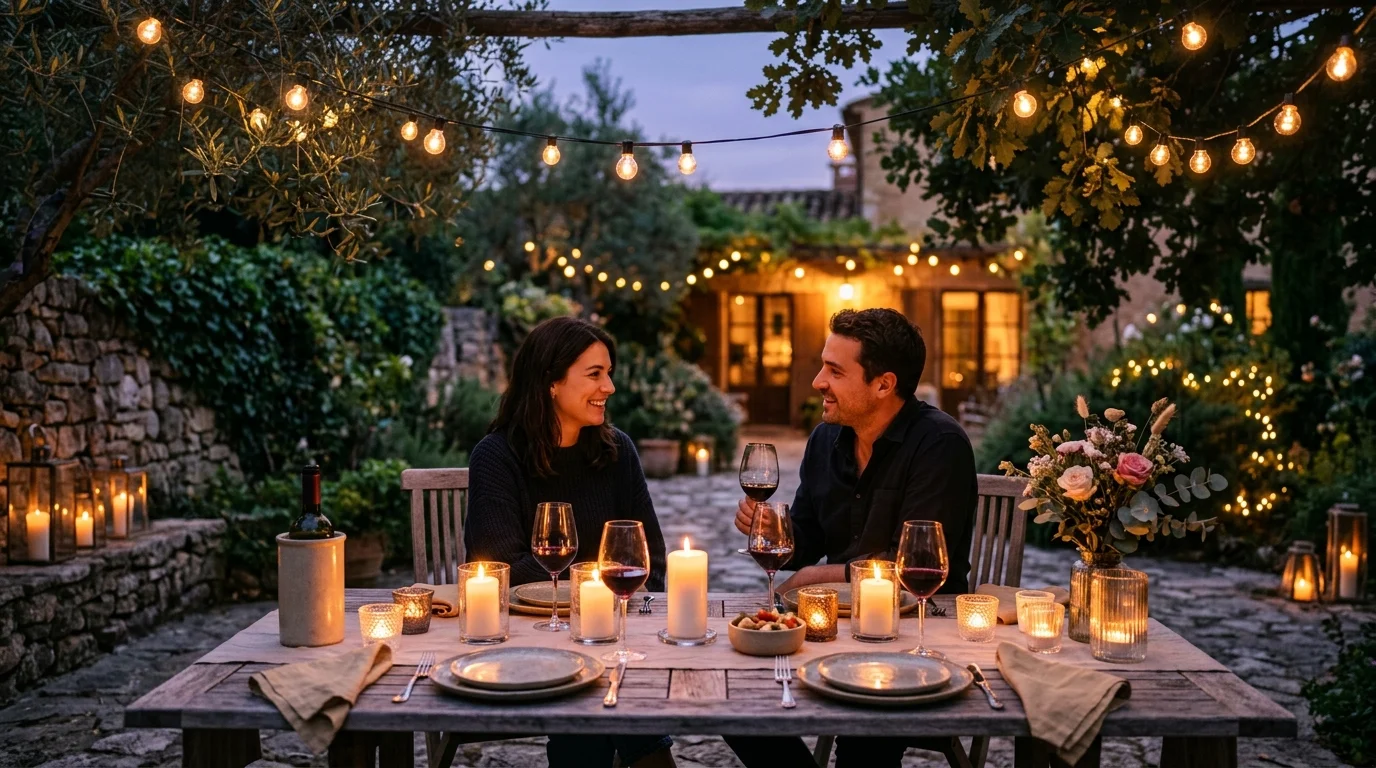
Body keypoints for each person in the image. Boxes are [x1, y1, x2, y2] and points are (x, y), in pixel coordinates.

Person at [726, 308, 977, 768]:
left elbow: (916, 563)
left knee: (866, 735)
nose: (819, 381)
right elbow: (803, 539)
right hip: (832, 627)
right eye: (823, 365)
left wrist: (818, 575)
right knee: (732, 697)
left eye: (835, 371)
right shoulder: (827, 440)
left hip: (919, 631)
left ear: (883, 384)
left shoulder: (940, 444)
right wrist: (772, 530)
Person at [466, 316, 673, 768]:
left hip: (613, 631)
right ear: (551, 383)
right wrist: (596, 583)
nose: (610, 387)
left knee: (606, 690)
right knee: (607, 701)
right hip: (527, 640)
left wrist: (611, 605)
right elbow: (500, 566)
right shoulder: (497, 457)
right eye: (595, 374)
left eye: (609, 373)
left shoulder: (617, 451)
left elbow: (650, 558)